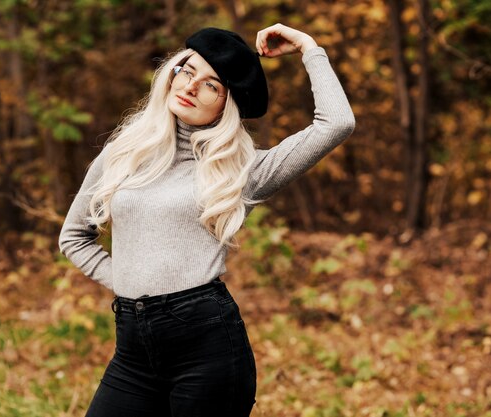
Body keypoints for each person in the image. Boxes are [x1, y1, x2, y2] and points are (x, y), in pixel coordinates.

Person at [58, 23, 355, 417]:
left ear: (226, 104)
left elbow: (336, 123)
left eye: (211, 85)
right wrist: (133, 283)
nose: (191, 86)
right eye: (188, 70)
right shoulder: (123, 154)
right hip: (133, 351)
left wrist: (309, 47)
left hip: (207, 350)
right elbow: (74, 239)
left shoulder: (242, 172)